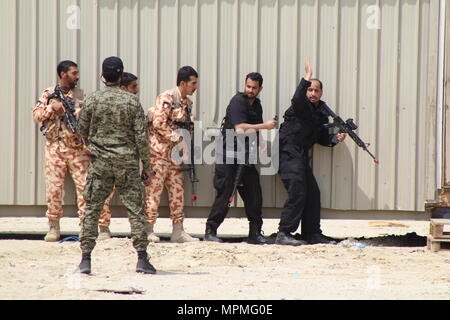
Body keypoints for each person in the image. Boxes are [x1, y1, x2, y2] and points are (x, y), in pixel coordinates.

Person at [77, 57, 155, 274]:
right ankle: (141, 258)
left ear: (103, 76)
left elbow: (81, 130)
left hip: (100, 163)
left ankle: (85, 259)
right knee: (136, 211)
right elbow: (141, 138)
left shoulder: (92, 100)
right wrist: (147, 167)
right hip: (127, 164)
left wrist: (88, 149)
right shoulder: (131, 102)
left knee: (92, 209)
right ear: (122, 76)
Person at [275, 61, 347, 246]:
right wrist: (306, 78)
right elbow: (297, 99)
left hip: (300, 156)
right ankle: (284, 233)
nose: (313, 93)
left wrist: (335, 139)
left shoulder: (321, 114)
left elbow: (322, 138)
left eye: (316, 90)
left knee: (313, 194)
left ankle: (311, 233)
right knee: (298, 190)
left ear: (321, 93)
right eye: (310, 90)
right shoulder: (300, 106)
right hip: (287, 152)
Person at [204, 72, 277, 244]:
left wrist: (261, 142)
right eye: (248, 86)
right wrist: (266, 126)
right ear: (245, 85)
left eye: (254, 88)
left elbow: (254, 129)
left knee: (254, 194)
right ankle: (210, 231)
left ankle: (255, 233)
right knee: (225, 193)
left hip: (246, 154)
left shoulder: (257, 104)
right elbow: (240, 128)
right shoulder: (238, 101)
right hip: (228, 154)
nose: (250, 90)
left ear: (260, 88)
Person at [32, 60, 88, 242]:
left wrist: (77, 113)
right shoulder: (49, 93)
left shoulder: (81, 95)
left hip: (77, 149)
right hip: (55, 148)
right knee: (54, 189)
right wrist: (51, 107)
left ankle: (85, 227)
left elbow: (88, 120)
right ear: (63, 74)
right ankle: (54, 227)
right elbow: (36, 116)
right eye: (74, 73)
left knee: (85, 189)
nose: (77, 76)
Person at [144, 66, 199, 243]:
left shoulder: (187, 104)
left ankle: (178, 231)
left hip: (175, 157)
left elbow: (187, 128)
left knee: (177, 192)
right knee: (154, 191)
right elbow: (159, 123)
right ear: (182, 83)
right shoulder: (167, 98)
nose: (195, 87)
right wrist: (178, 140)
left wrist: (187, 147)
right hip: (159, 154)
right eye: (193, 83)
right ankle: (148, 230)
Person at [98, 72, 140, 240]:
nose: (136, 91)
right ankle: (103, 229)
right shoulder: (105, 103)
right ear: (123, 87)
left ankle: (136, 231)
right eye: (133, 87)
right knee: (104, 195)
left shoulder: (132, 105)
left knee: (131, 196)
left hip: (122, 158)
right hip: (112, 157)